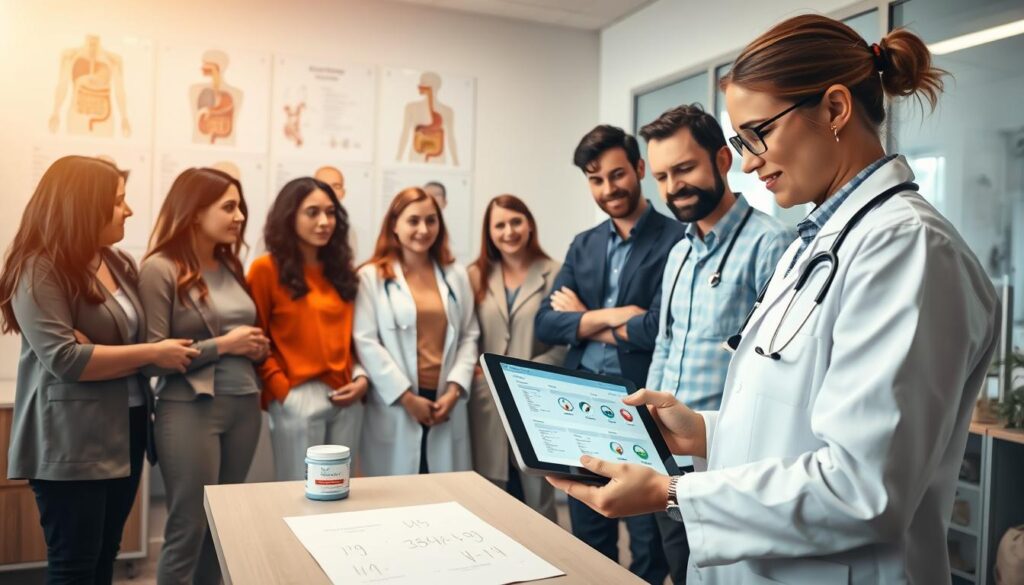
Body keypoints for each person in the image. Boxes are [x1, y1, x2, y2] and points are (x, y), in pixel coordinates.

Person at [548, 15, 1000, 584]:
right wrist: (704, 432)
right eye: (740, 141)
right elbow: (793, 422)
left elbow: (864, 488)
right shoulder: (816, 244)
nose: (747, 160)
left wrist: (673, 493)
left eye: (757, 133)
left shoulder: (908, 248)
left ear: (835, 110)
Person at [0, 156, 198, 584]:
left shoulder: (119, 262)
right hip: (72, 439)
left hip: (125, 430)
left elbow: (124, 343)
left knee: (106, 555)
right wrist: (144, 353)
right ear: (82, 207)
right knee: (74, 566)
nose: (128, 211)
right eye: (118, 202)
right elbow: (67, 361)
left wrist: (105, 351)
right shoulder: (38, 268)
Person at [638, 104, 794, 583]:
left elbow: (779, 374)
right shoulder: (679, 254)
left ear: (724, 161)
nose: (672, 188)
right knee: (677, 569)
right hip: (669, 461)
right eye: (662, 176)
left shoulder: (772, 245)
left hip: (727, 464)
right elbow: (665, 344)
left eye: (684, 169)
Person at [535, 125, 685, 584]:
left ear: (640, 169)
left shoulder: (676, 238)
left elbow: (657, 325)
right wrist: (615, 315)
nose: (608, 189)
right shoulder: (586, 243)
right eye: (596, 179)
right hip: (579, 403)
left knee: (647, 537)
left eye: (617, 175)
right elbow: (547, 322)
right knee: (587, 530)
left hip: (636, 405)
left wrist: (585, 318)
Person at [139, 167, 269, 585]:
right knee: (188, 526)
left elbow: (238, 333)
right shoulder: (160, 268)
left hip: (245, 405)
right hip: (190, 409)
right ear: (195, 212)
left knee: (222, 526)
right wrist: (226, 345)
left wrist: (254, 347)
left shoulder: (231, 265)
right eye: (229, 207)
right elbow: (153, 357)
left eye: (241, 207)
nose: (240, 217)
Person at [247, 177, 368, 481]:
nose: (324, 221)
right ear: (290, 217)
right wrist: (281, 391)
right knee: (298, 495)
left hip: (347, 395)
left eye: (330, 212)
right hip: (297, 395)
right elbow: (255, 338)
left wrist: (361, 378)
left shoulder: (343, 271)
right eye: (312, 212)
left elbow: (358, 336)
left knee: (342, 495)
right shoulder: (265, 269)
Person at [353, 187, 479, 476]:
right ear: (394, 225)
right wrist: (406, 398)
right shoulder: (371, 277)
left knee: (445, 497)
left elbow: (469, 335)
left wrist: (455, 390)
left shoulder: (455, 274)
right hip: (397, 402)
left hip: (445, 399)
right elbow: (365, 341)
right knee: (394, 499)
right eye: (413, 221)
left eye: (431, 220)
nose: (423, 229)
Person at [467, 194, 565, 522]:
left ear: (529, 225)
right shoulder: (475, 275)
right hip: (486, 403)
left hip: (535, 398)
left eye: (515, 221)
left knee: (538, 495)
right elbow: (467, 336)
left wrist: (528, 374)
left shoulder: (556, 273)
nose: (508, 231)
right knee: (489, 493)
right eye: (500, 225)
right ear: (489, 232)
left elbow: (565, 341)